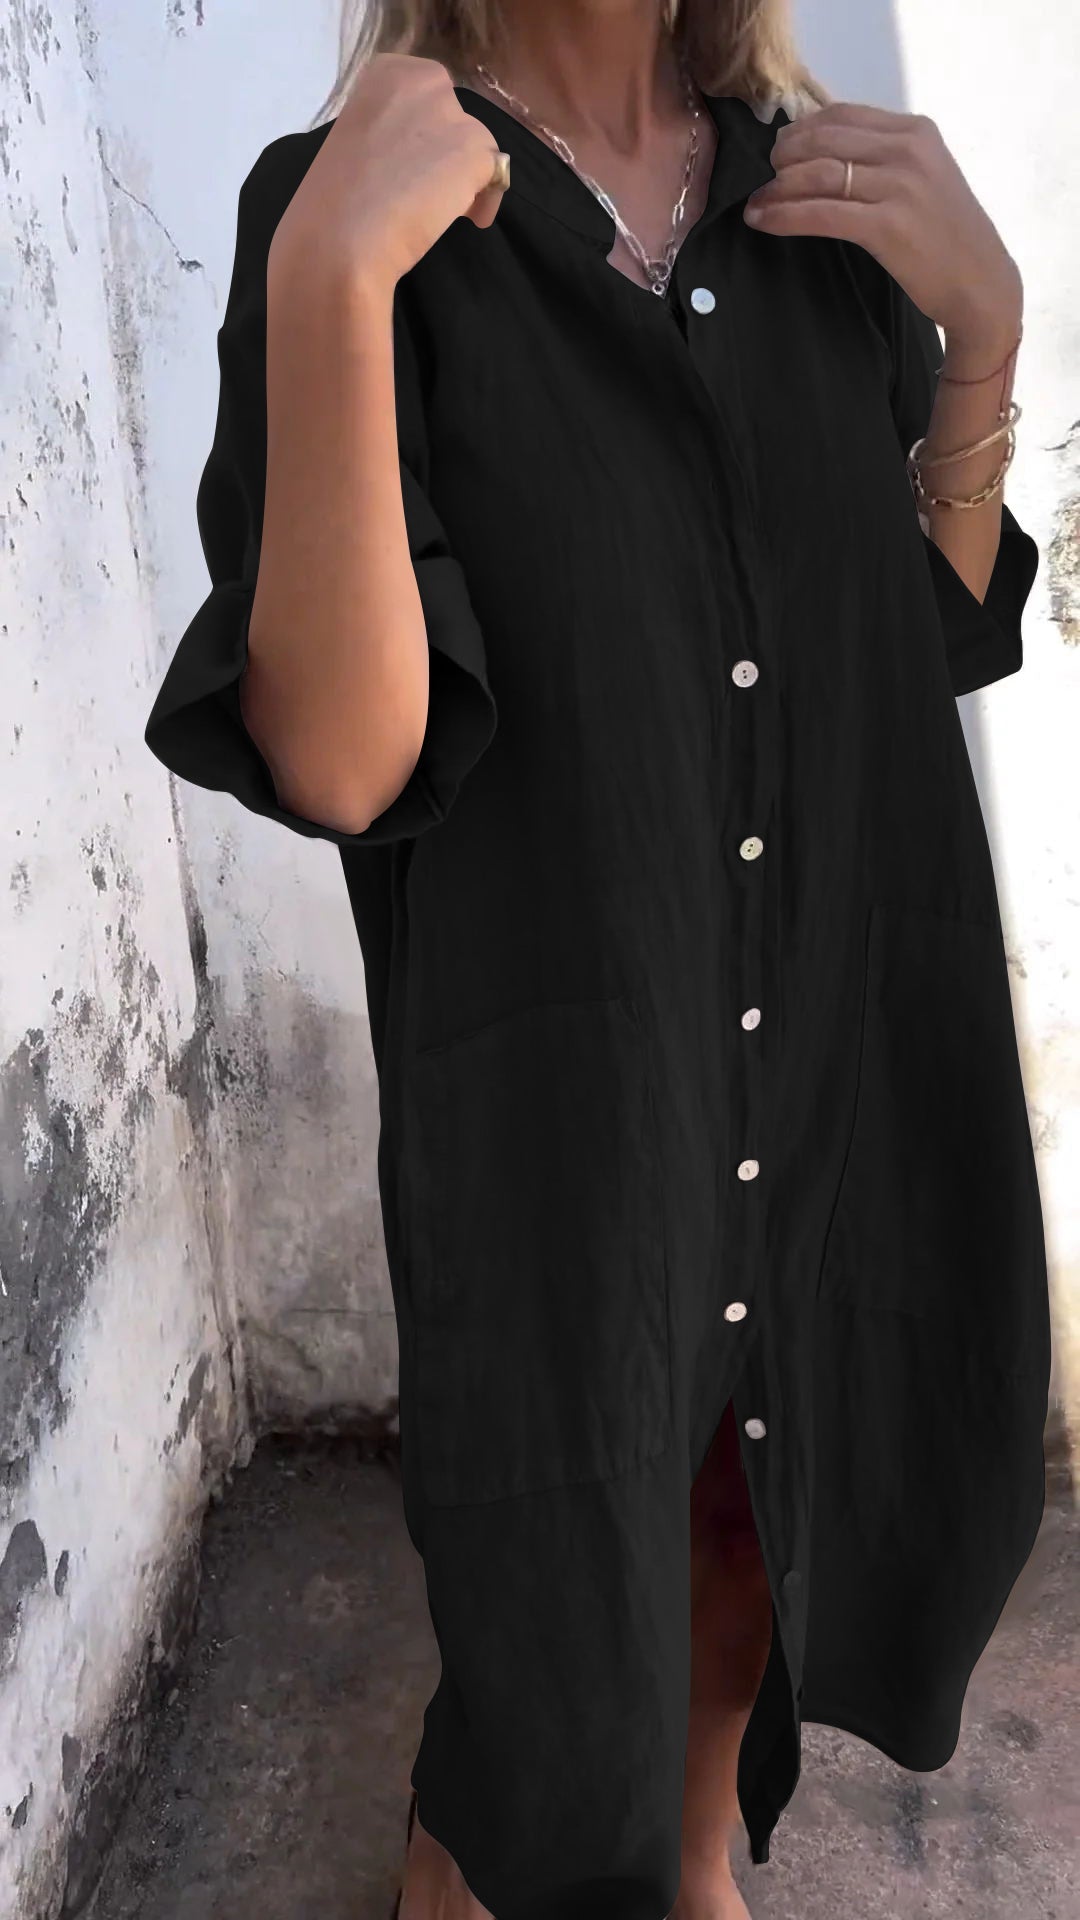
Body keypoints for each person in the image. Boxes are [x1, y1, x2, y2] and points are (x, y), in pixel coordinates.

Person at [143, 2, 1052, 1916]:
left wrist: (980, 350)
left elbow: (912, 640)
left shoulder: (819, 194)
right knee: (564, 1558)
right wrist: (331, 287)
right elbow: (343, 759)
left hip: (835, 1011)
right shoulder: (354, 208)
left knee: (752, 1508)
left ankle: (692, 1842)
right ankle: (472, 1854)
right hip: (576, 1058)